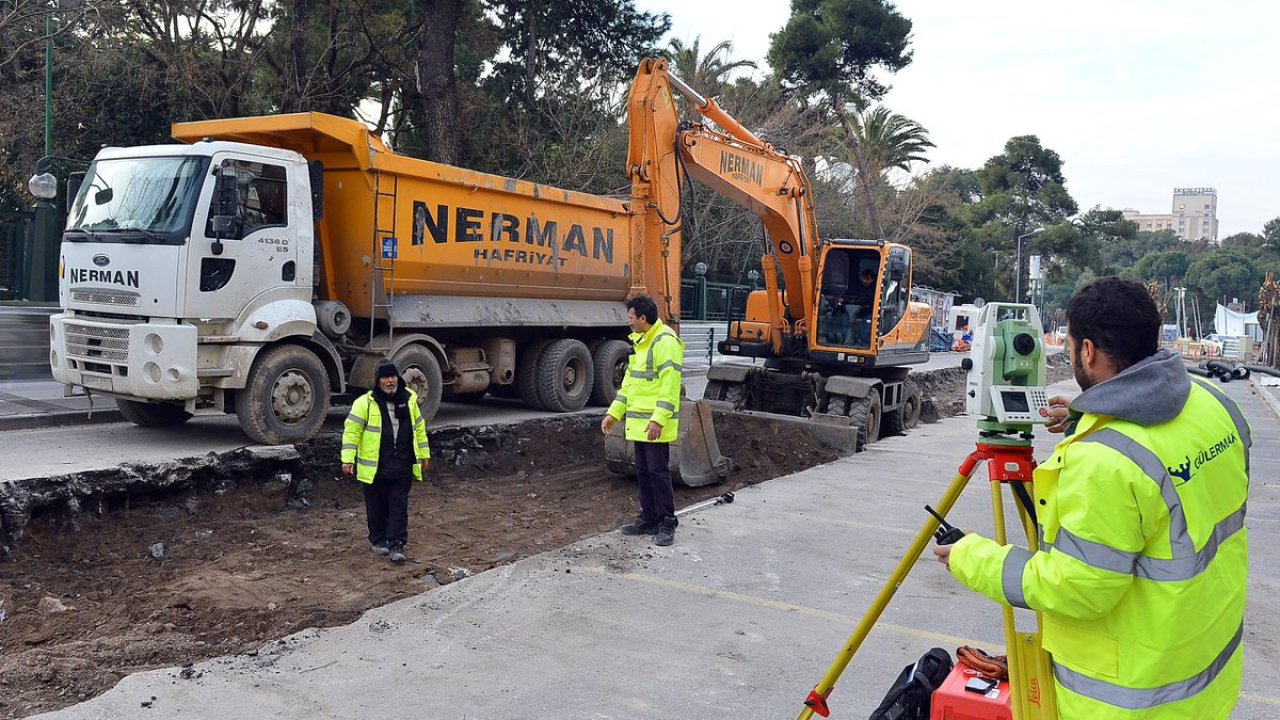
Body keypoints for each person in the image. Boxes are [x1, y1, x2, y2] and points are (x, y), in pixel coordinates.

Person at [932, 277, 1250, 719]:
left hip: (1132, 701)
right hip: (1203, 679)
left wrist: (970, 555)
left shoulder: (1103, 462)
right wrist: (1090, 417)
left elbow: (1077, 587)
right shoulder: (1213, 404)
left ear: (1087, 351)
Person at [601, 295, 685, 547]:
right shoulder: (641, 343)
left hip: (654, 425)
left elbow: (670, 387)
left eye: (631, 318)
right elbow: (629, 385)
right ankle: (649, 518)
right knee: (644, 472)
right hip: (639, 424)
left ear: (643, 319)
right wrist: (613, 414)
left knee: (658, 472)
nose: (629, 323)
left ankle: (667, 521)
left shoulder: (665, 342)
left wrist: (658, 420)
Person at [342, 359, 431, 563]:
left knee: (398, 505)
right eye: (385, 377)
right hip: (375, 467)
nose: (389, 381)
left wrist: (425, 454)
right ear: (378, 381)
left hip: (402, 464)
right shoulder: (365, 403)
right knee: (376, 506)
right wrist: (348, 459)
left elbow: (419, 429)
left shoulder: (409, 400)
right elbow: (351, 432)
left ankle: (397, 544)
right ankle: (378, 540)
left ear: (398, 379)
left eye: (392, 377)